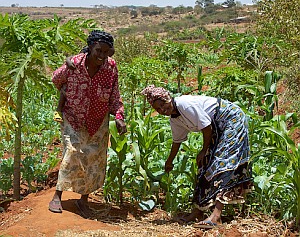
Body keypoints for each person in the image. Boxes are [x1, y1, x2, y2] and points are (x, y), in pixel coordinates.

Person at [141, 85, 252, 229]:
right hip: (217, 127)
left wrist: (204, 150)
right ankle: (198, 211)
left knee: (223, 164)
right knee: (204, 165)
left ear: (168, 97)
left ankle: (216, 217)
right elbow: (177, 141)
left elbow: (207, 128)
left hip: (232, 120)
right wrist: (169, 161)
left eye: (163, 104)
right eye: (158, 109)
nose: (162, 110)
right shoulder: (174, 119)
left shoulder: (184, 104)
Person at [49, 30, 126, 219]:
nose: (102, 56)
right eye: (99, 51)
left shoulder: (111, 68)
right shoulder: (74, 64)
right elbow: (56, 79)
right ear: (90, 48)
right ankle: (57, 195)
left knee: (94, 159)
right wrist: (66, 92)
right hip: (74, 117)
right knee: (72, 152)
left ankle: (84, 200)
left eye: (106, 52)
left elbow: (115, 94)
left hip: (98, 119)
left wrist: (119, 115)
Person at [53, 46, 115, 122]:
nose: (103, 56)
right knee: (66, 88)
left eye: (106, 54)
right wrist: (68, 61)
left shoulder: (107, 65)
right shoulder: (84, 55)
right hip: (74, 82)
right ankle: (59, 110)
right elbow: (71, 58)